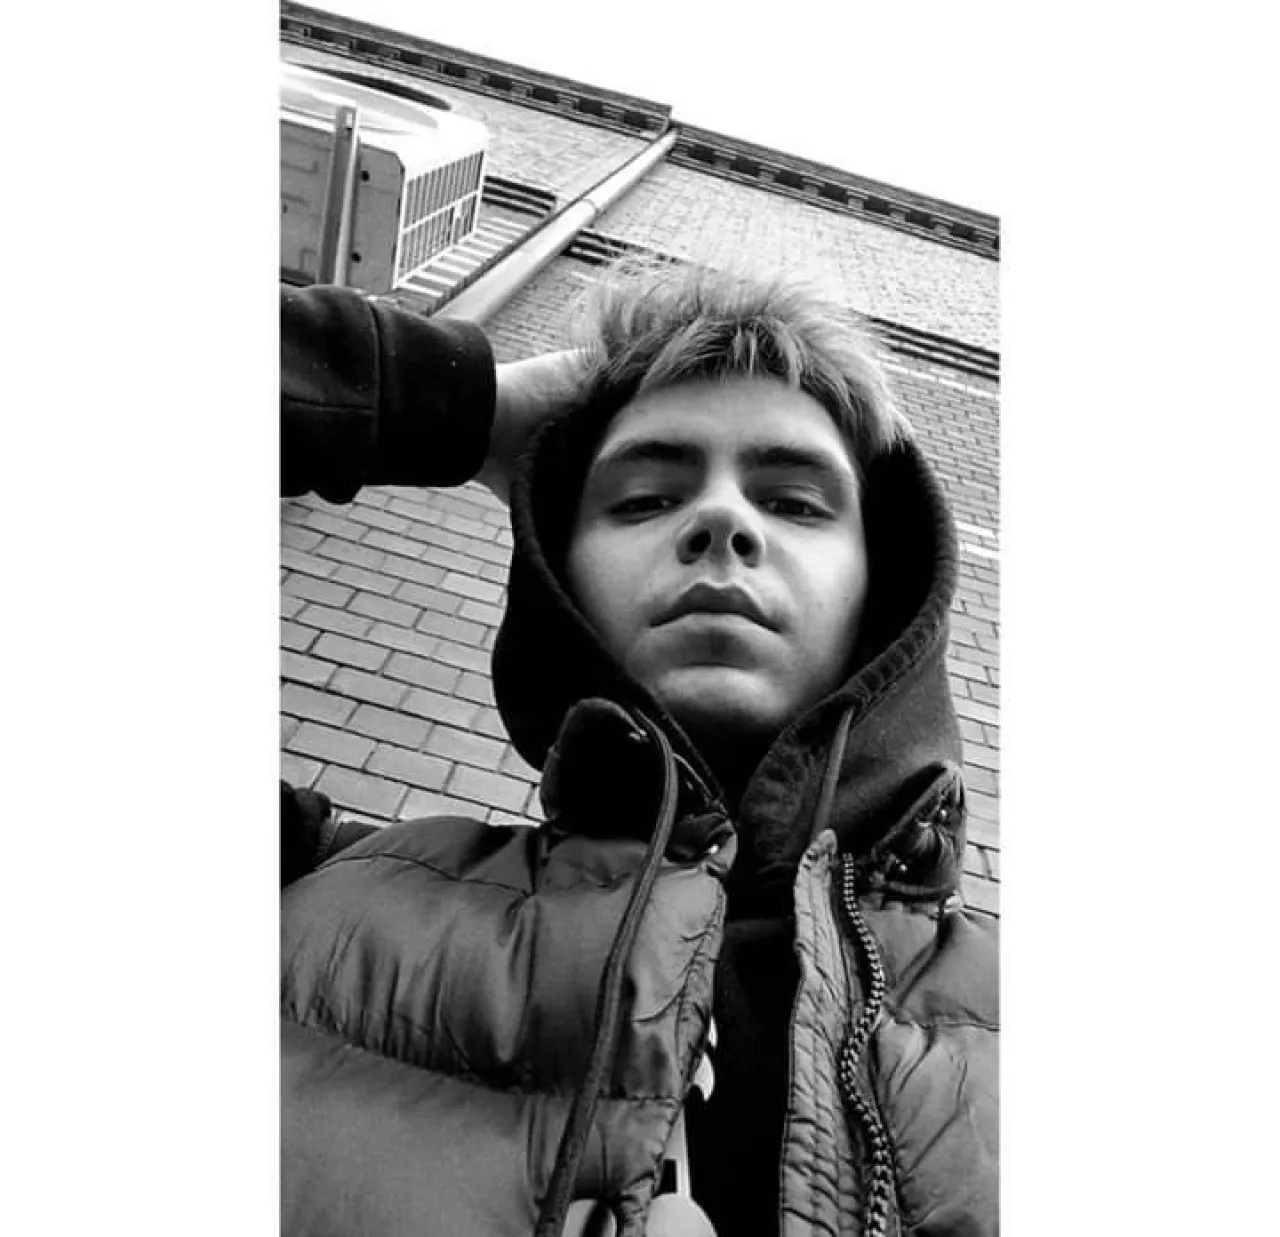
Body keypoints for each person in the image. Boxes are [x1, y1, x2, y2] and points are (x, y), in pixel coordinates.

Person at [280, 263, 999, 1237]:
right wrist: (462, 404)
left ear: (886, 584)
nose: (721, 519)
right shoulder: (320, 895)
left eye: (794, 502)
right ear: (560, 572)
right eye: (644, 496)